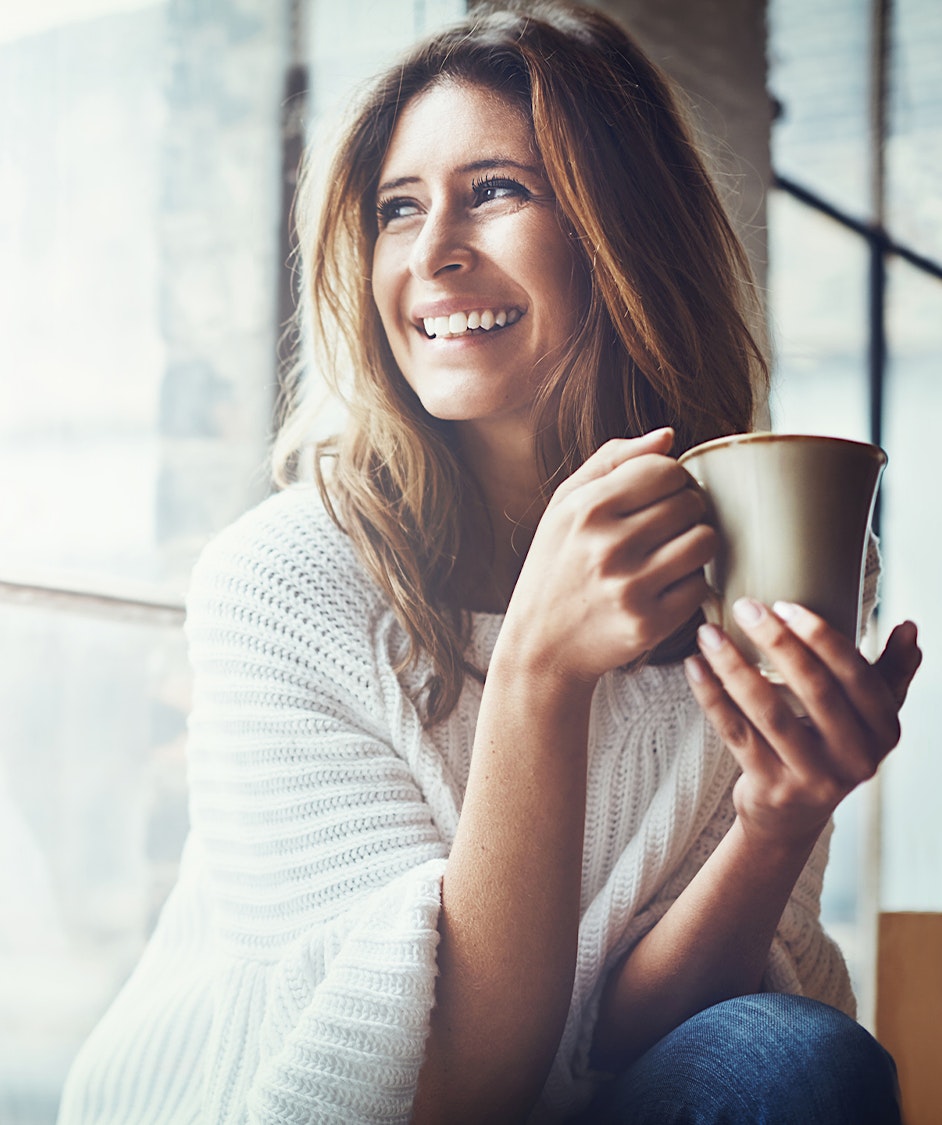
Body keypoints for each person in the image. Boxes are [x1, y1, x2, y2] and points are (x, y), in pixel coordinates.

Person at [58, 3, 922, 1123]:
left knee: (792, 1060)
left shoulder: (756, 566)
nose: (432, 253)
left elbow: (633, 1047)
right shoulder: (283, 583)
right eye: (398, 209)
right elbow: (447, 1092)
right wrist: (537, 673)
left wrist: (779, 816)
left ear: (626, 235)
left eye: (499, 191)